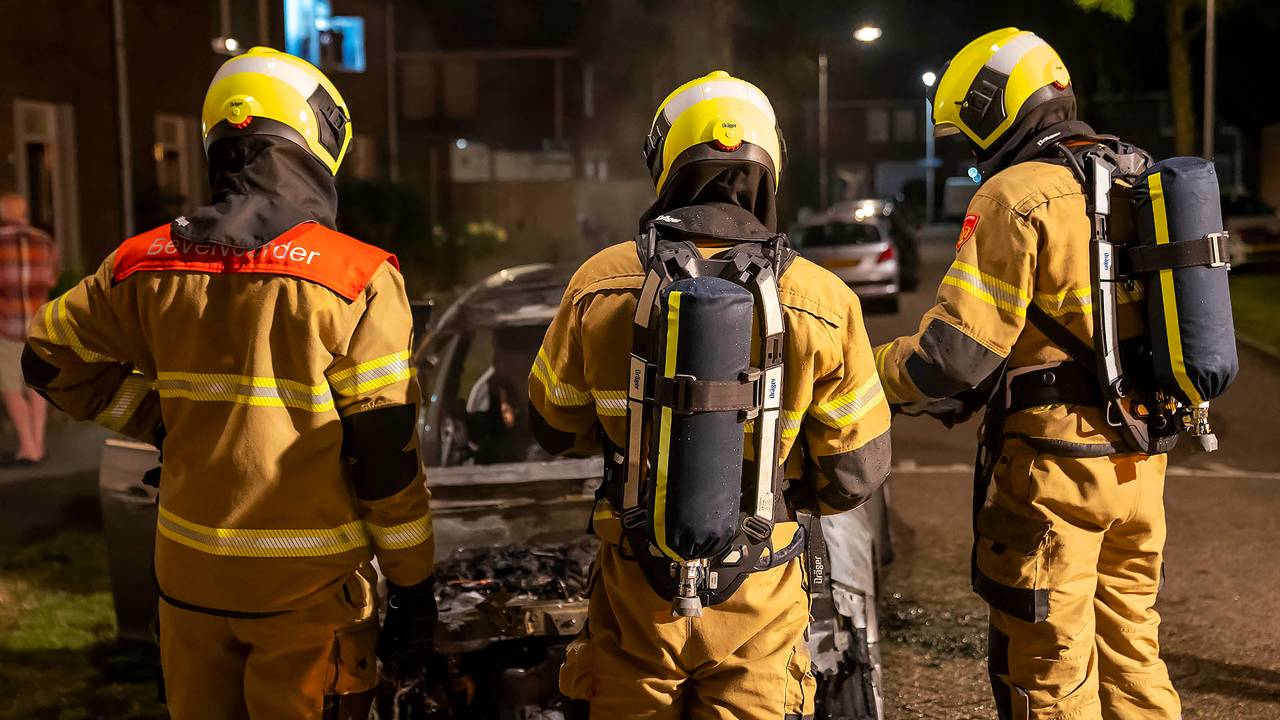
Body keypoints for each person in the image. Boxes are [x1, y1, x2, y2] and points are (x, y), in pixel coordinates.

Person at [23, 47, 436, 719]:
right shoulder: (355, 278)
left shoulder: (142, 263)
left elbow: (45, 358)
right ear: (314, 143)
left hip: (189, 585)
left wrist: (155, 419)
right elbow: (385, 458)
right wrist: (414, 588)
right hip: (306, 598)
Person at [529, 70, 892, 720]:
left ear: (668, 164)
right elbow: (856, 471)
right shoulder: (823, 302)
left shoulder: (598, 284)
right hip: (762, 590)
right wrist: (780, 494)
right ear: (770, 166)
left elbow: (552, 424)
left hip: (634, 591)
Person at [874, 29, 1180, 719]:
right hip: (1141, 464)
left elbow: (952, 355)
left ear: (996, 108)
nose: (975, 151)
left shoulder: (1017, 197)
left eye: (972, 130)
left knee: (1050, 673)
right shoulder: (1134, 177)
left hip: (1056, 478)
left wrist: (869, 375)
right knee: (1134, 659)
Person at [0, 193, 57, 466]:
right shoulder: (44, 241)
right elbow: (51, 278)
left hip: (6, 324)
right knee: (35, 385)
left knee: (10, 386)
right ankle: (39, 442)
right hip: (37, 323)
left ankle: (28, 445)